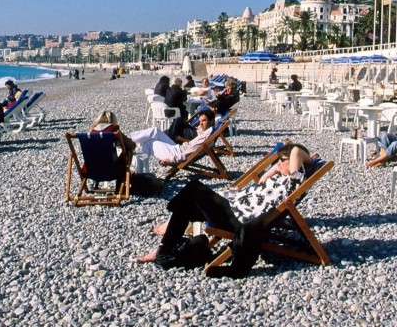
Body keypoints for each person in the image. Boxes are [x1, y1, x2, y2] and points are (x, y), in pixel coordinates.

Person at [136, 142, 314, 278]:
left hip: (237, 218)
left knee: (193, 189)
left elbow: (296, 151)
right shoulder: (279, 177)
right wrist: (277, 167)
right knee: (188, 201)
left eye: (281, 160)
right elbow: (261, 181)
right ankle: (166, 249)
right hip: (234, 209)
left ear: (293, 162)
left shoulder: (294, 180)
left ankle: (165, 249)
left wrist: (293, 155)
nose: (278, 164)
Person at [129, 110, 217, 165]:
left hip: (176, 154)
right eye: (200, 121)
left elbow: (187, 154)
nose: (201, 123)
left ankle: (135, 168)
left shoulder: (205, 138)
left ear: (211, 121)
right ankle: (130, 140)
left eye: (204, 121)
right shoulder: (207, 131)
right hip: (178, 147)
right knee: (155, 130)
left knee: (149, 143)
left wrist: (170, 160)